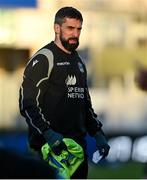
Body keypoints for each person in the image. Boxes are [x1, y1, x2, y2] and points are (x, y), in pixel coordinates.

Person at [19, 6, 110, 179]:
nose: (75, 34)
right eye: (70, 28)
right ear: (57, 28)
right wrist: (48, 133)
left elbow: (85, 104)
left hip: (77, 152)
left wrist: (98, 134)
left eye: (78, 29)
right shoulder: (44, 58)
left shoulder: (79, 62)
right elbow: (27, 102)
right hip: (50, 150)